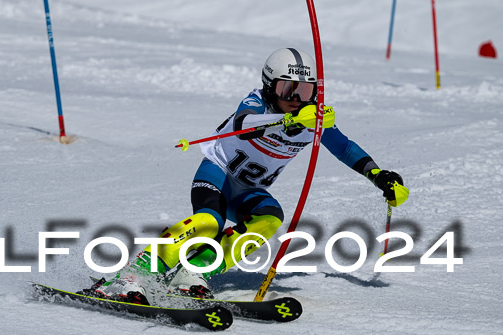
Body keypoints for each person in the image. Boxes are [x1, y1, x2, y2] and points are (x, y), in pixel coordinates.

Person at [85, 47, 409, 304]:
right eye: (287, 89)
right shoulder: (258, 103)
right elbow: (243, 125)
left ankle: (194, 272)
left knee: (269, 219)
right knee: (210, 223)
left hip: (248, 191)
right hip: (217, 175)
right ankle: (134, 273)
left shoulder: (312, 117)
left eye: (305, 91)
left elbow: (344, 147)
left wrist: (378, 176)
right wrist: (285, 123)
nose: (296, 100)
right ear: (270, 86)